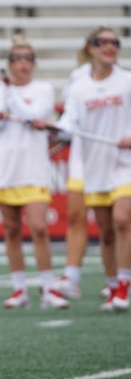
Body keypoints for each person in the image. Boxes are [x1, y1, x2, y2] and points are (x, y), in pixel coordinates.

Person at [0, 36, 66, 309]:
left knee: (39, 228)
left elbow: (34, 115)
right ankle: (19, 288)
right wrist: (5, 99)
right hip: (5, 168)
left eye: (28, 59)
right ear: (9, 64)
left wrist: (12, 98)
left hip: (33, 168)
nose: (23, 64)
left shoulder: (43, 88)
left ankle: (48, 287)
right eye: (18, 59)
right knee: (11, 229)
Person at [53, 28, 131, 311]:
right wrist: (52, 130)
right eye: (103, 42)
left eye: (114, 42)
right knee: (107, 232)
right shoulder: (79, 87)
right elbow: (69, 124)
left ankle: (124, 285)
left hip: (124, 164)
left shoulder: (127, 82)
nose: (109, 47)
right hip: (95, 166)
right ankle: (113, 287)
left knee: (124, 219)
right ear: (90, 48)